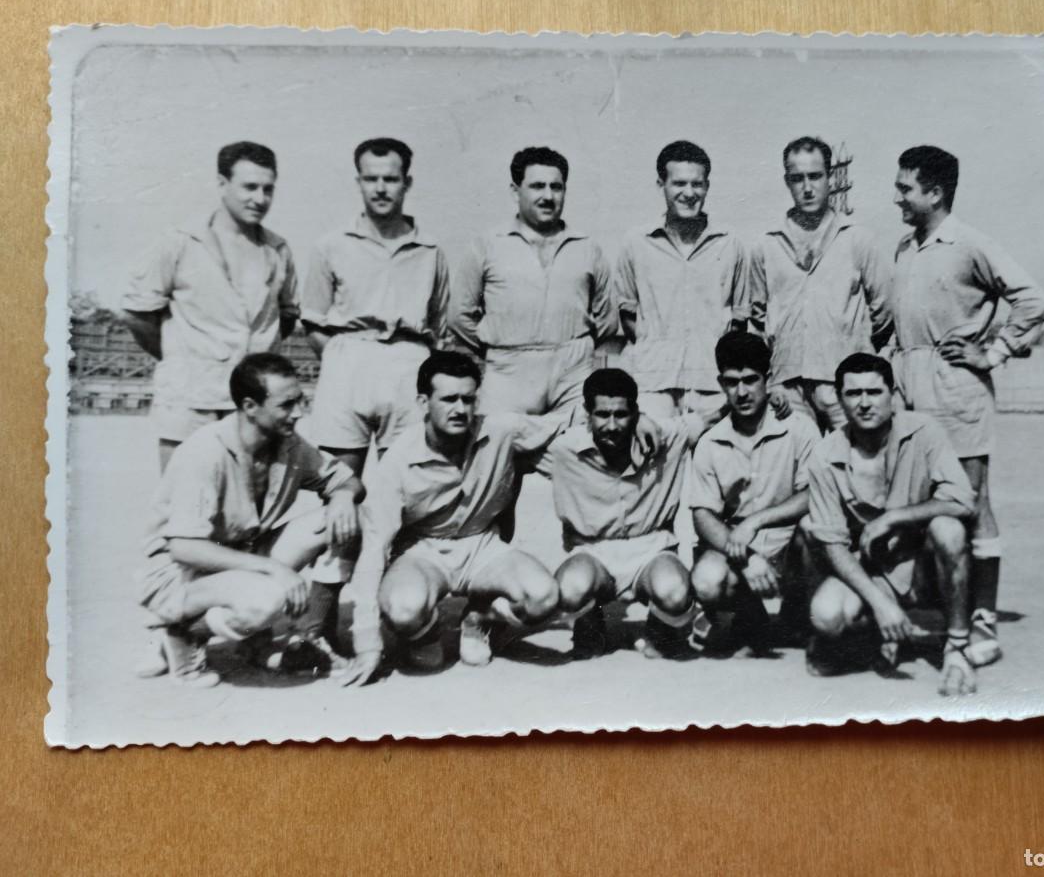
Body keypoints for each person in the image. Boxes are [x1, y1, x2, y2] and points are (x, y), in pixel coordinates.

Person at [340, 351, 662, 686]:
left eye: (468, 399)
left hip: (482, 547)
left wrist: (644, 419)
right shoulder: (398, 460)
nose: (460, 409)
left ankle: (481, 618)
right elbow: (374, 548)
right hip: (423, 552)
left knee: (544, 597)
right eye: (449, 399)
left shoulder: (501, 429)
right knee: (408, 617)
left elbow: (570, 419)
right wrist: (366, 640)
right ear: (423, 402)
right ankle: (425, 635)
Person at [891, 145, 1044, 667]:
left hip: (957, 392)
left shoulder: (970, 244)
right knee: (923, 498)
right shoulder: (905, 249)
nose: (898, 197)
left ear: (934, 193)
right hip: (911, 392)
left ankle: (982, 618)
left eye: (905, 188)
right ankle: (937, 604)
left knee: (972, 502)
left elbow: (1033, 301)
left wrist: (994, 350)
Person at [298, 137, 449, 652]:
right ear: (358, 180)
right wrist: (347, 359)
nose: (381, 187)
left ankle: (405, 618)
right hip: (348, 364)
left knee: (408, 498)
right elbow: (313, 322)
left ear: (407, 182)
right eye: (371, 177)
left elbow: (442, 323)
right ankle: (315, 629)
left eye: (391, 178)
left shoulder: (431, 250)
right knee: (340, 494)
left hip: (409, 366)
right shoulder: (330, 245)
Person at [134, 353, 363, 686]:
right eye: (286, 405)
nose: (298, 413)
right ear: (250, 406)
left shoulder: (289, 443)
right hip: (178, 575)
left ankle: (307, 634)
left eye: (300, 401)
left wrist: (342, 495)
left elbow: (346, 481)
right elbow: (184, 548)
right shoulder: (205, 451)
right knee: (269, 599)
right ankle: (181, 631)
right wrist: (275, 569)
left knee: (344, 519)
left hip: (240, 557)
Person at [803, 353, 977, 696]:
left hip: (920, 565)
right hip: (870, 569)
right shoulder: (826, 455)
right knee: (826, 615)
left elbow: (963, 500)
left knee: (949, 529)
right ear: (839, 399)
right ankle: (878, 630)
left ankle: (958, 648)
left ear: (892, 394)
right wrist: (882, 605)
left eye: (874, 392)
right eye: (854, 394)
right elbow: (833, 544)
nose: (865, 403)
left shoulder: (924, 431)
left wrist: (894, 517)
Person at [121, 142, 299, 471]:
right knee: (182, 506)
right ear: (222, 183)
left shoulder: (278, 250)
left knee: (247, 508)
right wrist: (178, 355)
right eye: (249, 187)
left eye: (268, 189)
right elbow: (137, 313)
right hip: (190, 401)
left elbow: (286, 318)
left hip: (251, 406)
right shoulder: (180, 242)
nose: (259, 199)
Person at [550, 368, 723, 660]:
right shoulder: (564, 447)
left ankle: (660, 627)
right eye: (603, 415)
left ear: (636, 412)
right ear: (586, 413)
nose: (613, 425)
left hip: (651, 549)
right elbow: (510, 432)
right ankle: (590, 623)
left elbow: (715, 412)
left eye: (622, 414)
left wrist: (777, 393)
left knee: (675, 592)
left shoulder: (667, 436)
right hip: (593, 552)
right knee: (569, 588)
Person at [449, 146, 617, 416]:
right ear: (516, 191)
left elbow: (607, 320)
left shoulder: (588, 248)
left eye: (556, 187)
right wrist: (498, 347)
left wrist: (573, 349)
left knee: (575, 449)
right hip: (507, 372)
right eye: (537, 186)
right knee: (498, 446)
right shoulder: (487, 246)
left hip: (572, 373)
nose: (548, 196)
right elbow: (459, 316)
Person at [689, 332, 821, 656]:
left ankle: (797, 616)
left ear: (768, 380)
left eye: (751, 380)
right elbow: (702, 516)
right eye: (732, 382)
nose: (742, 392)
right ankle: (751, 616)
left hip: (790, 544)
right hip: (739, 548)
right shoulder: (710, 441)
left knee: (816, 528)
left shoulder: (799, 428)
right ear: (721, 383)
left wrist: (757, 522)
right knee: (707, 579)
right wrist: (746, 557)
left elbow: (815, 494)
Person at [753, 136, 893, 433]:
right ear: (786, 181)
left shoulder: (858, 239)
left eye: (815, 176)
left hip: (845, 385)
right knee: (796, 475)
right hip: (787, 387)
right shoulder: (767, 245)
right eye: (797, 178)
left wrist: (856, 352)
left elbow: (884, 312)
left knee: (853, 469)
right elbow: (757, 316)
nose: (807, 187)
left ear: (831, 177)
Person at [614, 140, 759, 420]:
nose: (689, 193)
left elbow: (740, 320)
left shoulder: (731, 245)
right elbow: (628, 315)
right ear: (661, 185)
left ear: (707, 186)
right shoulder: (636, 244)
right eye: (679, 184)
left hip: (712, 384)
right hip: (653, 385)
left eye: (698, 184)